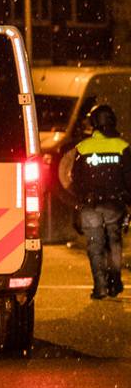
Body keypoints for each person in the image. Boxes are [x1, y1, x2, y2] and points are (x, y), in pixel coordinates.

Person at [70, 103, 131, 299]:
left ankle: (100, 287)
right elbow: (129, 178)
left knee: (95, 246)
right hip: (115, 204)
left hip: (90, 206)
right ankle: (115, 281)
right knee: (114, 242)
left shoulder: (83, 147)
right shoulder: (122, 147)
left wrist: (78, 202)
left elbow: (74, 179)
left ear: (94, 123)